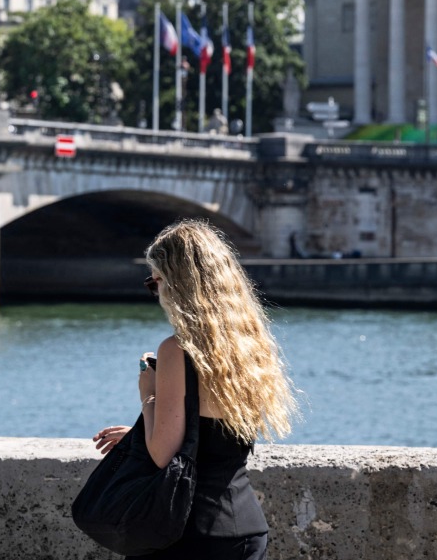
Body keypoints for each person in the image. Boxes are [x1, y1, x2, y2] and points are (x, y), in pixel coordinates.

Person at [92, 220, 298, 559]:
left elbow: (163, 456)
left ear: (179, 284)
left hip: (185, 534)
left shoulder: (177, 350)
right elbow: (211, 439)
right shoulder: (251, 346)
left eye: (157, 281)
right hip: (244, 529)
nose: (156, 293)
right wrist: (139, 434)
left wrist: (149, 391)